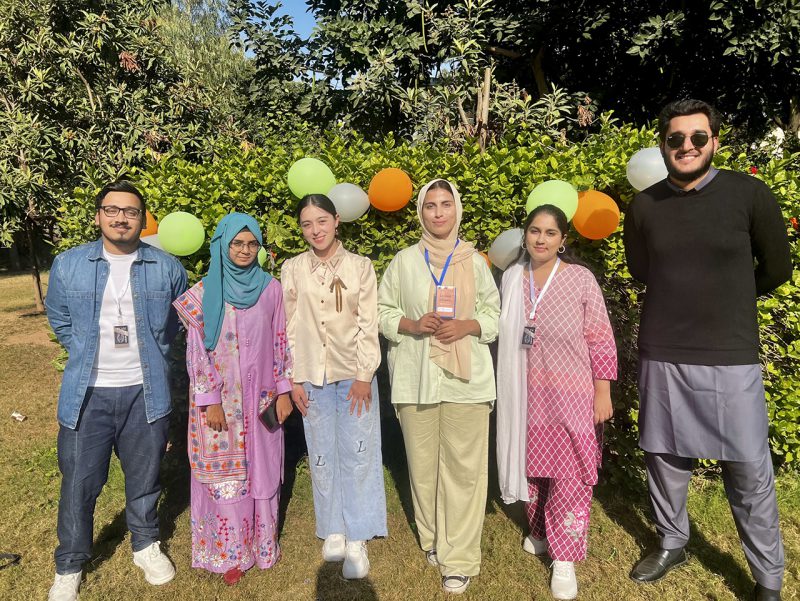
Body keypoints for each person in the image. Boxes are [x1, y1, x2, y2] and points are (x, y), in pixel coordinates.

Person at [624, 99, 792, 601]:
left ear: (715, 141)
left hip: (730, 353)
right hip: (662, 349)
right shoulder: (644, 206)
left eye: (698, 137)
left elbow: (778, 267)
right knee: (664, 455)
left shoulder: (749, 193)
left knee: (748, 468)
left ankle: (768, 578)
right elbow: (641, 269)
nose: (687, 146)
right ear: (663, 145)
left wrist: (728, 298)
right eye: (675, 138)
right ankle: (673, 541)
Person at [45, 181, 187, 601]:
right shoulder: (69, 264)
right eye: (112, 210)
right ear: (98, 216)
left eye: (131, 211)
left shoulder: (166, 267)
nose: (121, 218)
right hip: (87, 394)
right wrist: (83, 349)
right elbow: (59, 317)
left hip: (146, 391)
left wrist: (155, 353)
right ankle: (70, 564)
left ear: (143, 219)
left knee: (145, 478)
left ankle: (145, 544)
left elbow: (177, 322)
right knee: (79, 483)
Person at [377, 178, 500, 595]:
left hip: (467, 382)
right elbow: (381, 310)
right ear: (421, 213)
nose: (438, 212)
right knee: (423, 466)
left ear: (457, 209)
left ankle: (459, 556)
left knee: (464, 471)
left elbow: (495, 315)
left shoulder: (475, 262)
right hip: (416, 379)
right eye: (430, 205)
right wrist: (411, 324)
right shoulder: (404, 262)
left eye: (446, 204)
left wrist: (469, 325)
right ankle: (432, 537)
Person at [496, 204, 617, 600]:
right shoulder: (513, 277)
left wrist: (603, 391)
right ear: (525, 235)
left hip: (572, 395)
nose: (541, 239)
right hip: (527, 395)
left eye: (550, 233)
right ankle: (539, 531)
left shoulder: (580, 279)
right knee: (533, 469)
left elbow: (600, 336)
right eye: (535, 231)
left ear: (563, 239)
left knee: (569, 473)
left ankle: (564, 558)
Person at [172, 213, 293, 584]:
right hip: (221, 404)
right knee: (227, 478)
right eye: (237, 243)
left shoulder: (270, 289)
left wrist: (284, 390)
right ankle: (230, 554)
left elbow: (281, 339)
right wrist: (210, 399)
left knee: (263, 471)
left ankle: (262, 547)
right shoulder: (204, 292)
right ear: (222, 245)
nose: (245, 250)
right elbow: (196, 351)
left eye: (252, 243)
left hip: (262, 400)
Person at [281, 194, 386, 580]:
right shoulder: (293, 268)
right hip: (312, 376)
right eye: (307, 224)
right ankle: (333, 527)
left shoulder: (360, 267)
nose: (316, 230)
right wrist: (293, 377)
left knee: (359, 451)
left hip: (352, 375)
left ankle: (358, 534)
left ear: (337, 220)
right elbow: (290, 325)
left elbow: (368, 322)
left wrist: (364, 375)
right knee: (322, 452)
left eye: (322, 221)